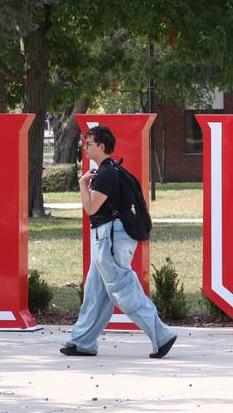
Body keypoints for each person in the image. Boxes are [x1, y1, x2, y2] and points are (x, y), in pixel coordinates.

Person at [61, 125, 176, 358]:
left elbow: (91, 208)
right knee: (96, 291)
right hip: (110, 236)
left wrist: (82, 185)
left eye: (89, 144)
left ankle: (161, 334)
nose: (85, 148)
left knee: (122, 287)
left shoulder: (105, 173)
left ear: (101, 146)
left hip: (110, 238)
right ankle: (82, 341)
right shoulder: (111, 169)